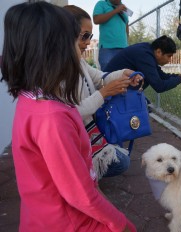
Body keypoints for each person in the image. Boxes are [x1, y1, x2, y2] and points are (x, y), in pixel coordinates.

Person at [1, 2, 135, 231]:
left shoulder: (30, 98)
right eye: (78, 38)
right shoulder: (52, 118)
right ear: (54, 49)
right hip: (70, 221)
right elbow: (80, 196)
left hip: (43, 215)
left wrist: (123, 75)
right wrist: (122, 225)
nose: (84, 44)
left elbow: (100, 76)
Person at [63, 5, 142, 180]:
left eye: (90, 36)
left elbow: (101, 77)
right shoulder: (58, 70)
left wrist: (125, 74)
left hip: (87, 126)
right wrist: (104, 93)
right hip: (71, 135)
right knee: (122, 162)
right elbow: (71, 112)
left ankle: (82, 171)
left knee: (119, 149)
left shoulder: (79, 62)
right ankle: (78, 174)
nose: (88, 42)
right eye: (84, 36)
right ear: (65, 34)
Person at [104, 35, 181, 93]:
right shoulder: (144, 55)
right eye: (169, 56)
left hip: (113, 85)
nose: (169, 60)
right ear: (159, 52)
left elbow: (162, 76)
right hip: (108, 88)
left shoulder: (147, 51)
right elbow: (159, 86)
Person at [93, 0, 129, 71]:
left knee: (124, 75)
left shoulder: (124, 8)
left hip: (123, 48)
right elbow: (96, 20)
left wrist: (127, 42)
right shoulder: (101, 4)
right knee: (107, 75)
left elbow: (126, 25)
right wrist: (116, 10)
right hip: (107, 48)